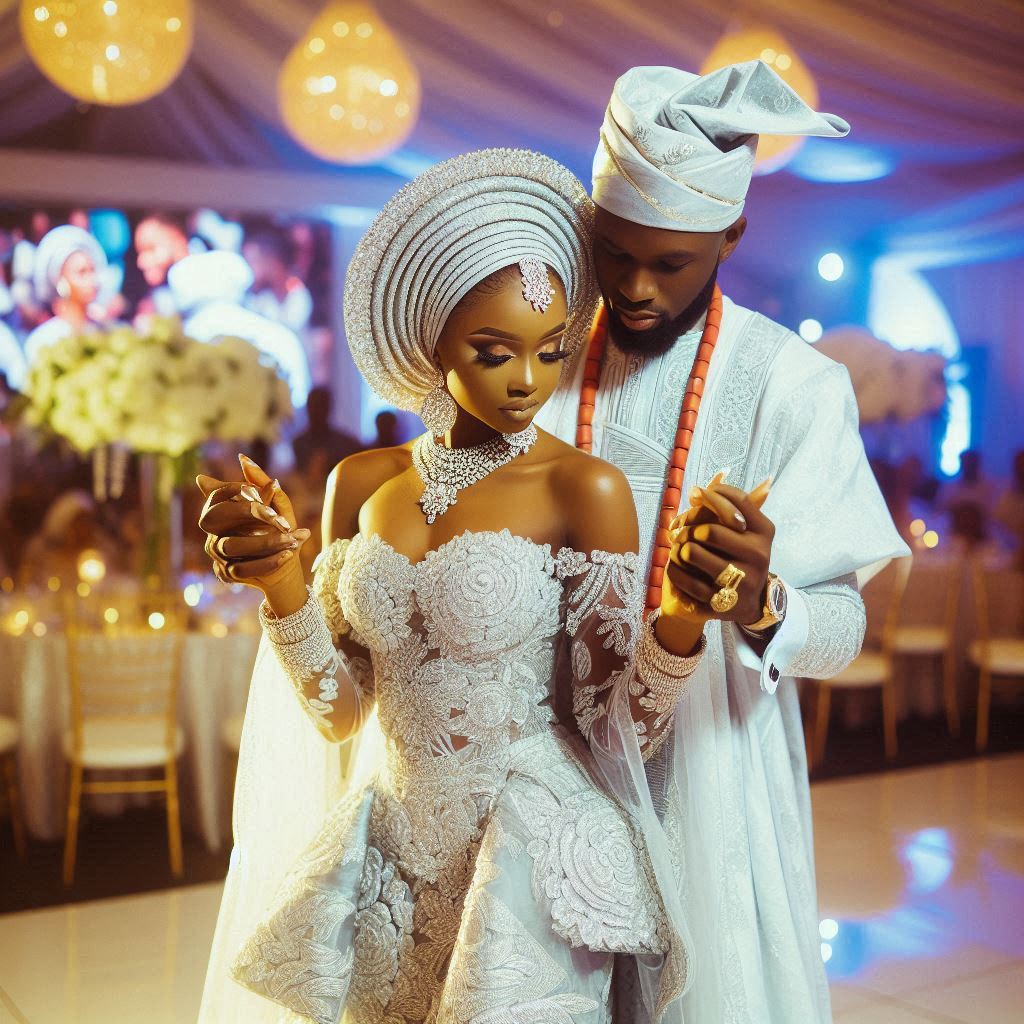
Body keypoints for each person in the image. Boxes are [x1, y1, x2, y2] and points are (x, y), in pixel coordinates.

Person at [194, 149, 757, 1024]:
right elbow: (341, 712)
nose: (528, 380)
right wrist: (281, 587)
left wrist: (681, 619)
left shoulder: (585, 489)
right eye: (493, 351)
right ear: (431, 339)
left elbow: (620, 731)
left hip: (527, 862)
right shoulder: (360, 483)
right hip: (386, 851)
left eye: (550, 349)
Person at [535, 62, 909, 1022]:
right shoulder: (537, 353)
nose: (636, 287)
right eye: (615, 252)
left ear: (732, 236)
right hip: (547, 748)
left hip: (711, 770)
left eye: (672, 262)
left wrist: (763, 600)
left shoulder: (794, 384)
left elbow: (844, 628)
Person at [23, 225, 109, 363]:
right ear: (61, 281)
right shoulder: (44, 341)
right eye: (82, 272)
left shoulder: (106, 331)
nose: (92, 280)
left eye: (92, 270)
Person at [133, 212, 191, 321]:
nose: (141, 262)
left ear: (177, 238)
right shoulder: (156, 295)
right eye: (139, 252)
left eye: (150, 249)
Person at [291, 385, 362, 474]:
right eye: (313, 406)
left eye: (320, 406)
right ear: (307, 408)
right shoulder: (298, 443)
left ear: (328, 408)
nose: (316, 411)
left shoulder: (347, 444)